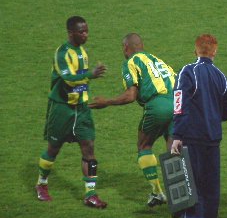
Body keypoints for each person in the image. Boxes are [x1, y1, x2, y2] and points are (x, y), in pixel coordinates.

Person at [89, 32, 176, 207]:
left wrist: (106, 102)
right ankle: (181, 197)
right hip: (178, 104)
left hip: (158, 105)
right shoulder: (158, 60)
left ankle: (157, 193)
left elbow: (130, 96)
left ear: (126, 48)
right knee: (174, 150)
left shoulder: (131, 62)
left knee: (144, 146)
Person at [35, 15, 108, 208]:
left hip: (81, 110)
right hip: (62, 109)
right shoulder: (62, 53)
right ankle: (41, 184)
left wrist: (85, 95)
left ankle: (91, 194)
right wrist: (90, 74)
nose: (86, 35)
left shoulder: (82, 52)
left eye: (87, 31)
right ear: (71, 32)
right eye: (81, 31)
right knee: (53, 148)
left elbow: (80, 81)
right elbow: (69, 79)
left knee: (89, 149)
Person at [171, 34, 227, 218]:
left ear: (195, 50)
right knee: (211, 191)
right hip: (212, 142)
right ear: (215, 51)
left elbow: (179, 105)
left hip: (191, 141)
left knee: (191, 191)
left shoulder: (187, 72)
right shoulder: (221, 77)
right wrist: (213, 116)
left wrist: (177, 135)